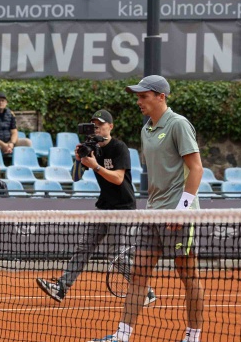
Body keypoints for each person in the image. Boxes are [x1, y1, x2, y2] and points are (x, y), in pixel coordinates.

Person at [87, 76, 205, 342]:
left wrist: (182, 209)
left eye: (144, 96)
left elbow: (197, 168)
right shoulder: (147, 130)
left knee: (188, 276)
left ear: (160, 96)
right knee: (139, 275)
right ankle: (121, 340)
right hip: (152, 214)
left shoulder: (178, 124)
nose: (139, 101)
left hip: (179, 213)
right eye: (138, 96)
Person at [36, 110, 155, 305]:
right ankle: (61, 288)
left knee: (116, 255)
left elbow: (118, 178)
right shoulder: (89, 148)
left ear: (110, 126)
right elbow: (75, 177)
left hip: (123, 208)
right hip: (103, 206)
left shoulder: (119, 147)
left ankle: (145, 291)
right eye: (93, 124)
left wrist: (96, 166)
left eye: (100, 124)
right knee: (84, 247)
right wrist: (78, 160)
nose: (96, 127)